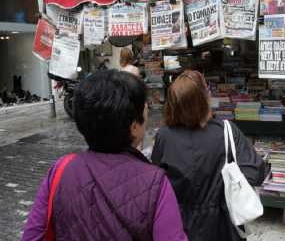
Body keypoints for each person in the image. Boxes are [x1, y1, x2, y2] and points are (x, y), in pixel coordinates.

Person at [22, 70, 187, 241]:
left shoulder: (60, 170)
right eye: (145, 112)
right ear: (134, 126)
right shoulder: (156, 183)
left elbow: (32, 235)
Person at [152, 70, 266, 241]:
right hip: (222, 225)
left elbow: (157, 178)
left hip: (178, 223)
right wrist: (227, 186)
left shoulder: (164, 136)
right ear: (204, 98)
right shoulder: (226, 130)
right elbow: (255, 172)